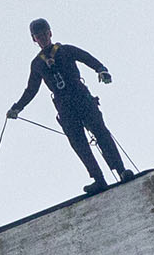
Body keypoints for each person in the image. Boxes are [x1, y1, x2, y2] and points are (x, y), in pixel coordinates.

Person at [8, 19, 134, 190]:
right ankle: (98, 179)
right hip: (64, 106)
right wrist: (17, 107)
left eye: (45, 34)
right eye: (39, 36)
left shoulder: (65, 50)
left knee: (101, 133)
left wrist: (101, 69)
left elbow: (87, 58)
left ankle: (121, 171)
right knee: (79, 143)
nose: (43, 38)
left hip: (81, 97)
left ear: (50, 33)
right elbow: (31, 89)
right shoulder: (37, 64)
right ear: (34, 39)